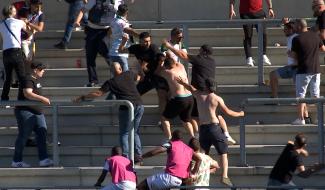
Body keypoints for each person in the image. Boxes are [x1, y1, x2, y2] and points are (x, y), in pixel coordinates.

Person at [162, 41, 236, 144]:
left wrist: (169, 46)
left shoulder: (199, 59)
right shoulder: (212, 61)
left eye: (200, 50)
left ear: (204, 52)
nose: (198, 52)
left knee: (193, 116)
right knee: (217, 115)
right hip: (211, 90)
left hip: (199, 92)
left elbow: (182, 55)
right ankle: (226, 134)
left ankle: (197, 135)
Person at [177, 77, 244, 187]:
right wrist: (241, 114)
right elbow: (228, 112)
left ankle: (197, 174)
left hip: (203, 129)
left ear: (205, 86)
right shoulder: (217, 98)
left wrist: (182, 82)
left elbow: (190, 87)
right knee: (223, 153)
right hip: (214, 128)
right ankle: (224, 176)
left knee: (202, 154)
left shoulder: (199, 95)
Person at [74, 62, 144, 163]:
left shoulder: (111, 82)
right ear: (121, 68)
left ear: (111, 71)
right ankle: (138, 156)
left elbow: (98, 93)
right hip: (139, 105)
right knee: (135, 132)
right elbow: (138, 77)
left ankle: (125, 156)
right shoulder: (128, 74)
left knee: (124, 133)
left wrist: (83, 97)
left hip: (127, 108)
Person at [12, 61, 53, 168]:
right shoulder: (28, 79)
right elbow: (27, 93)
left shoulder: (36, 80)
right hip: (26, 112)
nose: (43, 71)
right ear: (35, 70)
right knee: (24, 135)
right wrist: (43, 99)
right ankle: (16, 160)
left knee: (42, 133)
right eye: (42, 69)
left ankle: (43, 159)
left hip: (37, 112)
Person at [137, 130, 202, 190]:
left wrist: (142, 156)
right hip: (181, 180)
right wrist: (193, 173)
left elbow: (155, 152)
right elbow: (199, 159)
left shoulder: (170, 144)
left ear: (172, 137)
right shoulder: (189, 149)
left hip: (170, 177)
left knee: (142, 186)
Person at [291, 19, 325, 125]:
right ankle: (319, 118)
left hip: (303, 70)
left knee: (301, 95)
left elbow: (294, 56)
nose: (294, 28)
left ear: (300, 27)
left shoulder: (296, 39)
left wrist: (290, 54)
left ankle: (301, 119)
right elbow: (323, 48)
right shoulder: (315, 36)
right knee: (316, 95)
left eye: (295, 26)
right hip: (316, 69)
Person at [74, 0, 116, 87]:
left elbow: (121, 14)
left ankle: (118, 76)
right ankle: (93, 80)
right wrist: (77, 21)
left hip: (106, 31)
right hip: (92, 30)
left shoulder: (115, 2)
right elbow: (83, 10)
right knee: (90, 56)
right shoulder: (94, 1)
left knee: (107, 55)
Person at [156, 57, 194, 139]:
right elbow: (174, 61)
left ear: (166, 66)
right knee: (186, 120)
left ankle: (169, 139)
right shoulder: (181, 66)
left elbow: (157, 73)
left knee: (164, 118)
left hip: (180, 99)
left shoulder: (168, 72)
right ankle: (193, 137)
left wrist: (160, 64)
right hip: (190, 97)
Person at [229, 0, 275, 67]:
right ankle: (249, 58)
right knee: (248, 35)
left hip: (259, 12)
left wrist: (270, 8)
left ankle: (263, 55)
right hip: (245, 13)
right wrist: (231, 9)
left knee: (263, 34)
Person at [0, 5, 27, 101]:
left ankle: (4, 97)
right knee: (21, 76)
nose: (16, 12)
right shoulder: (19, 22)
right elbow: (27, 29)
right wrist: (25, 21)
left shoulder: (1, 24)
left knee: (8, 77)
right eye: (15, 11)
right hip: (16, 51)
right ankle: (22, 97)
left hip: (6, 53)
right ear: (12, 12)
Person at [269, 21, 298, 98]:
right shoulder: (289, 38)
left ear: (291, 29)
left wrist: (295, 56)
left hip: (298, 68)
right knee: (273, 74)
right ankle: (274, 99)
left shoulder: (296, 37)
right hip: (290, 67)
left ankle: (300, 105)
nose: (284, 31)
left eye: (285, 29)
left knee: (298, 89)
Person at [109, 4, 139, 72]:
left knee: (116, 77)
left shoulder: (113, 21)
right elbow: (129, 30)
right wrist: (142, 36)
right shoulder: (121, 22)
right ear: (127, 12)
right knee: (125, 77)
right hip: (120, 54)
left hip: (112, 52)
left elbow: (109, 33)